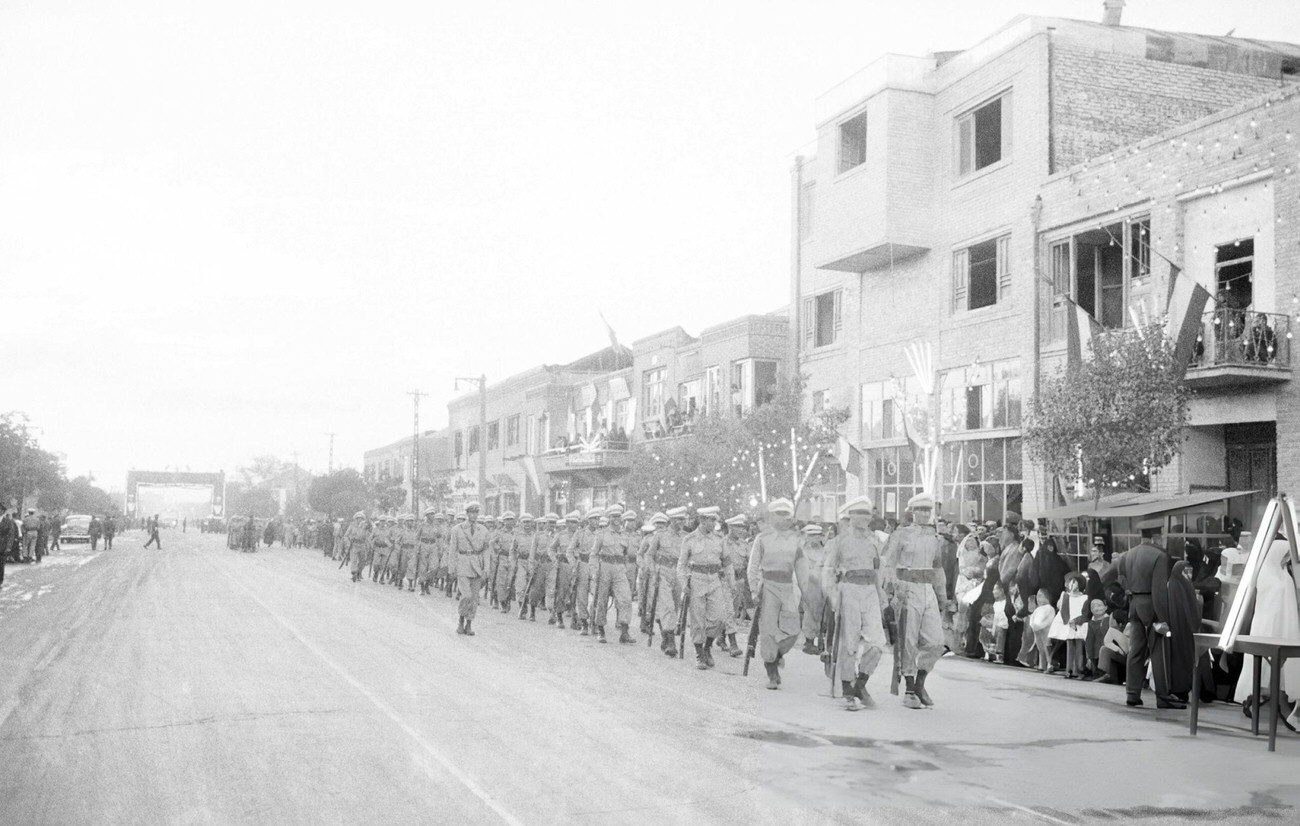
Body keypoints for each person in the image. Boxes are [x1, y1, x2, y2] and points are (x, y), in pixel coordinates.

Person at [881, 492, 948, 709]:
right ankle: (909, 689)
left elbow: (937, 568)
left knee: (936, 642)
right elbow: (888, 563)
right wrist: (892, 590)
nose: (924, 514)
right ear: (912, 511)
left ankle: (920, 682)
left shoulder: (935, 537)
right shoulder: (901, 534)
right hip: (907, 588)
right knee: (908, 640)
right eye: (920, 509)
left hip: (927, 588)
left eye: (927, 510)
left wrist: (942, 597)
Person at [821, 496, 888, 711]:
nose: (864, 518)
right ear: (850, 516)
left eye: (867, 514)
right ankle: (847, 690)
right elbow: (828, 571)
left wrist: (881, 595)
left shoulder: (874, 541)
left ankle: (860, 684)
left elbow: (878, 571)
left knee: (877, 643)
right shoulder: (839, 542)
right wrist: (833, 596)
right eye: (859, 513)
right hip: (848, 591)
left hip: (869, 591)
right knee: (849, 644)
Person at [1233, 531, 1300, 728]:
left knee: (1277, 671)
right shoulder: (1267, 574)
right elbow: (1268, 607)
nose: (1287, 559)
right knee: (1266, 669)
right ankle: (1262, 700)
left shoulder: (1282, 575)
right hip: (1268, 629)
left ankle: (1263, 700)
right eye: (1285, 554)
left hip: (1284, 628)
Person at [1116, 519, 1182, 709]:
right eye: (1161, 535)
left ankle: (1132, 693)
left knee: (1135, 650)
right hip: (1152, 606)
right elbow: (1160, 589)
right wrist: (1163, 618)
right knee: (1158, 651)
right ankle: (1163, 696)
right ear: (1155, 536)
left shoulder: (1128, 555)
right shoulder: (1160, 556)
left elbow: (1121, 579)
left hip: (1134, 605)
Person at [746, 498, 808, 690]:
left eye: (786, 515)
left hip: (788, 587)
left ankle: (777, 655)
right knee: (768, 632)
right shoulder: (762, 539)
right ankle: (772, 671)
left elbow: (802, 568)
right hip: (769, 586)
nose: (784, 519)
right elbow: (753, 566)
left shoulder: (796, 540)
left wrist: (806, 594)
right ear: (772, 517)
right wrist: (754, 591)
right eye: (779, 515)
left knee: (793, 630)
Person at [677, 506, 734, 668]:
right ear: (702, 520)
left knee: (719, 617)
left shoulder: (719, 539)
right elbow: (681, 565)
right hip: (696, 580)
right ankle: (699, 653)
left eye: (714, 520)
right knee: (697, 618)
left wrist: (731, 582)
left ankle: (708, 646)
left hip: (715, 579)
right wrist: (683, 584)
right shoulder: (689, 539)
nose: (713, 523)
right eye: (710, 520)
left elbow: (727, 562)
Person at [590, 506, 637, 644]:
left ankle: (624, 631)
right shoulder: (602, 534)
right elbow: (594, 554)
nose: (616, 519)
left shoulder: (624, 535)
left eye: (618, 516)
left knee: (626, 599)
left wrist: (628, 570)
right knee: (601, 599)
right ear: (609, 518)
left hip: (620, 569)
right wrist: (594, 571)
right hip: (605, 567)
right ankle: (600, 629)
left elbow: (629, 555)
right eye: (614, 516)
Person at [645, 508, 687, 656]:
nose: (682, 523)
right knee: (667, 606)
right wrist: (653, 572)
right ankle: (670, 641)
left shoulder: (686, 537)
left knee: (675, 607)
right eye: (679, 520)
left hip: (679, 574)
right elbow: (649, 555)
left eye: (683, 519)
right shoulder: (660, 536)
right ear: (672, 520)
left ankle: (664, 635)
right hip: (663, 572)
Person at [1166, 559, 1203, 703]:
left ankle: (1178, 691)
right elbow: (1193, 608)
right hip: (1187, 630)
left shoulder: (1173, 583)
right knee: (1187, 660)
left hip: (1176, 630)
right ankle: (1185, 690)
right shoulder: (1185, 584)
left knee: (1177, 661)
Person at [451, 503, 490, 636]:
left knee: (474, 598)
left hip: (477, 566)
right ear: (467, 514)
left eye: (476, 513)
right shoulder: (457, 529)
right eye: (471, 512)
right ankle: (460, 621)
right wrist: (451, 568)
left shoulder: (483, 530)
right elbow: (452, 550)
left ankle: (468, 624)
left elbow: (486, 551)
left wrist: (486, 568)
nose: (474, 515)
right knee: (466, 595)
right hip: (462, 564)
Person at [567, 509, 603, 634]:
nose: (597, 521)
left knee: (597, 595)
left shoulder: (601, 534)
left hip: (596, 566)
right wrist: (574, 565)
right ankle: (583, 623)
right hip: (582, 565)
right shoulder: (580, 533)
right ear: (588, 520)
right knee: (582, 596)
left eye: (598, 519)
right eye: (594, 519)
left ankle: (595, 622)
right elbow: (569, 551)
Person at [1050, 573, 1089, 678]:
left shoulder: (1084, 597)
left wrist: (1077, 620)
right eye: (1070, 582)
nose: (1072, 584)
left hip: (1078, 624)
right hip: (1069, 623)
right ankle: (1069, 669)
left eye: (1074, 582)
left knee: (1079, 646)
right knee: (1070, 645)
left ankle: (1079, 669)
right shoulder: (1066, 596)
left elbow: (1085, 612)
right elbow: (1061, 609)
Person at [799, 523, 829, 655]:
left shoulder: (824, 550)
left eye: (817, 535)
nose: (814, 538)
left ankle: (821, 639)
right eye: (811, 535)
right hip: (809, 585)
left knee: (823, 613)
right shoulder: (801, 551)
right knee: (810, 613)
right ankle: (809, 641)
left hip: (824, 585)